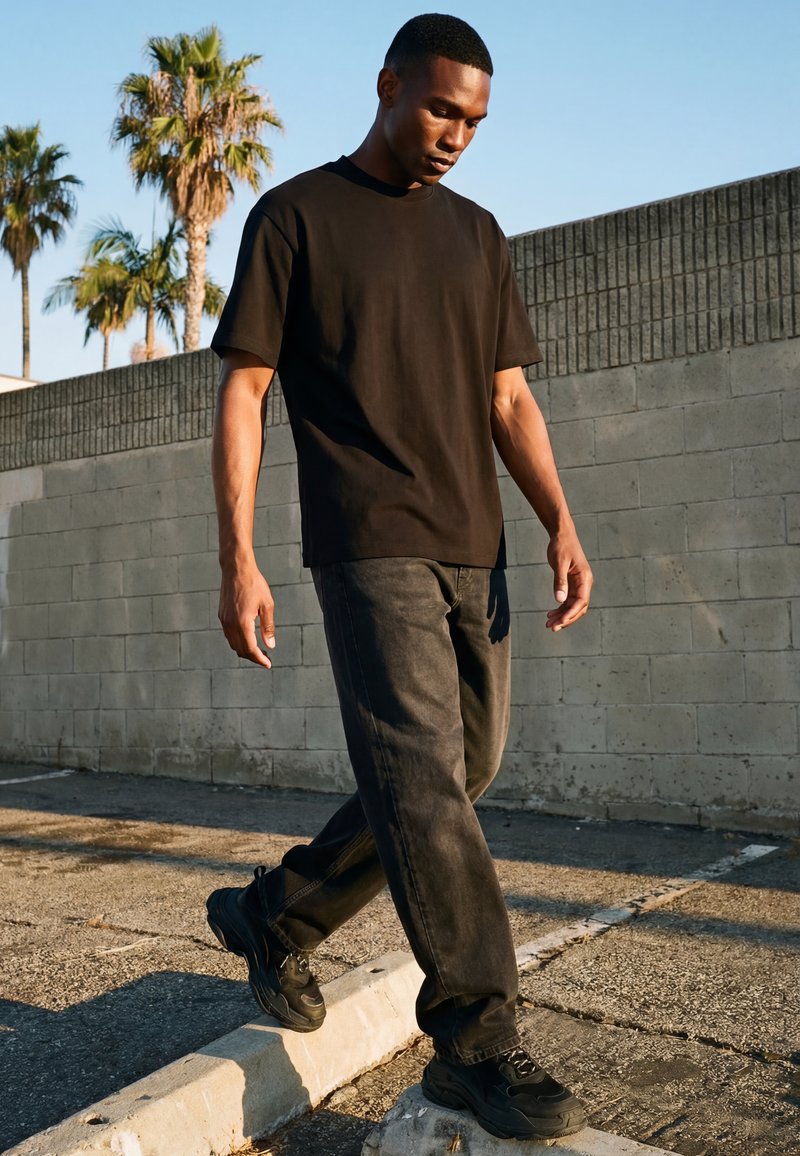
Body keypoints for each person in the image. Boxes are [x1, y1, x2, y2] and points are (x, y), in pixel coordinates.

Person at [205, 13, 593, 1143]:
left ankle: (276, 913)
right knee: (422, 781)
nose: (453, 136)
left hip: (478, 543)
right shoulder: (296, 218)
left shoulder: (477, 235)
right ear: (385, 86)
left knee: (456, 770)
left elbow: (508, 396)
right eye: (436, 109)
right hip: (367, 540)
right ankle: (478, 1038)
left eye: (472, 120)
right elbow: (243, 389)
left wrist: (560, 519)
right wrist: (238, 555)